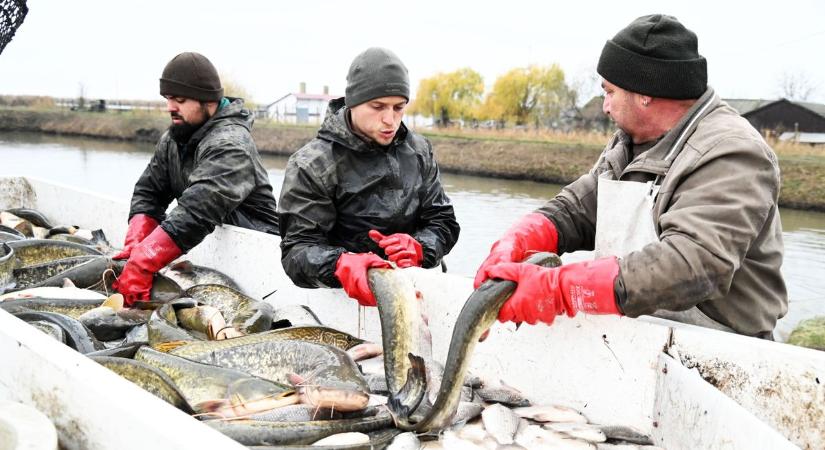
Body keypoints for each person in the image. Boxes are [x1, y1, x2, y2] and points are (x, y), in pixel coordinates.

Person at [474, 15, 786, 339]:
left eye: (610, 92)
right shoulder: (631, 139)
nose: (605, 106)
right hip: (636, 335)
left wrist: (563, 289)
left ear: (644, 94)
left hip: (721, 351)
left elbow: (693, 265)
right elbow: (582, 206)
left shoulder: (733, 153)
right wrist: (526, 235)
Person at [278, 47, 460, 306]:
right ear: (353, 102)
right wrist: (341, 264)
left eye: (399, 107)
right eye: (378, 107)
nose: (390, 120)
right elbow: (296, 251)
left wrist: (421, 248)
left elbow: (444, 222)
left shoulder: (419, 151)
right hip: (347, 300)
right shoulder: (312, 164)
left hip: (417, 291)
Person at [113, 52, 279, 306]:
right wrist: (137, 238)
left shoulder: (231, 145)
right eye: (168, 98)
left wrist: (144, 261)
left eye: (179, 99)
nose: (170, 107)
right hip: (209, 253)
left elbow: (196, 213)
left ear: (208, 101)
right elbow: (150, 191)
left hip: (258, 264)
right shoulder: (174, 137)